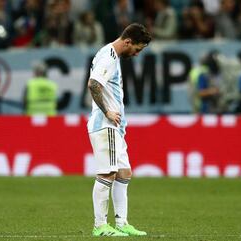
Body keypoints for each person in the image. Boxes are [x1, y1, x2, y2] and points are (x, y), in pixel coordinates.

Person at [87, 23, 151, 237]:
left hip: (115, 127)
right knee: (108, 173)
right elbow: (94, 84)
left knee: (124, 173)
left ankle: (122, 223)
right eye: (137, 49)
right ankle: (100, 226)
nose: (136, 54)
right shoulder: (109, 57)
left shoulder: (110, 54)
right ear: (128, 42)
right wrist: (107, 112)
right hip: (105, 125)